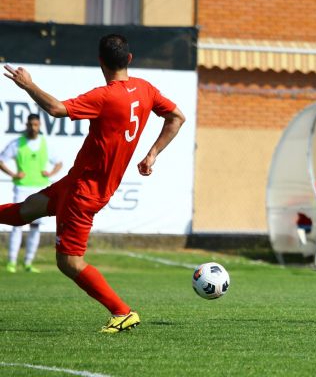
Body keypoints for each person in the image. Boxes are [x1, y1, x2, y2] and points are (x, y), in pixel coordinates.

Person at [1, 34, 186, 332]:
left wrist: (28, 85)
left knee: (69, 263)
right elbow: (177, 117)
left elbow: (57, 109)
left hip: (84, 193)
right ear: (129, 59)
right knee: (28, 209)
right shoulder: (146, 89)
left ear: (100, 61)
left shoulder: (105, 97)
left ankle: (122, 311)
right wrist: (151, 155)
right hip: (78, 183)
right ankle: (121, 311)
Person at [0, 114, 63, 273]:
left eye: (36, 125)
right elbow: (1, 161)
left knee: (35, 226)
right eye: (30, 125)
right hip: (21, 188)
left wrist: (50, 173)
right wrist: (13, 174)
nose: (33, 127)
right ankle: (12, 262)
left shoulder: (45, 143)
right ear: (26, 125)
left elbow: (59, 163)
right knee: (17, 225)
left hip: (40, 189)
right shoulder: (17, 143)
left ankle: (28, 262)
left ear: (39, 125)